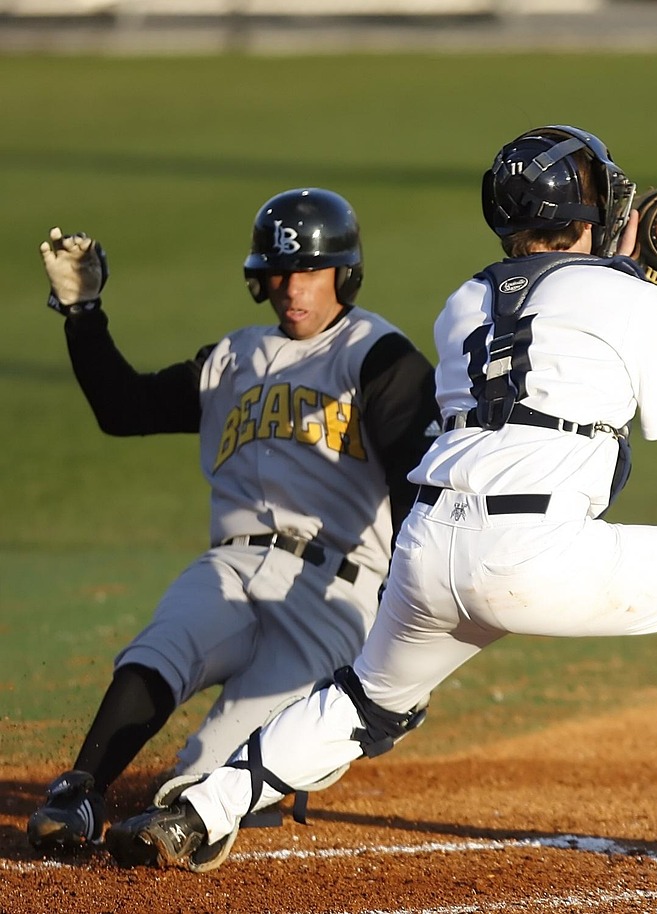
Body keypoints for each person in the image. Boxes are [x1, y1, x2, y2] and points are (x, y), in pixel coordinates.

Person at [105, 126, 657, 872]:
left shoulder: (464, 301)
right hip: (536, 554)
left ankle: (199, 812)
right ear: (585, 210)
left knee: (366, 701)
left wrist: (624, 291)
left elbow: (555, 383)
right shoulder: (630, 297)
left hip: (428, 546)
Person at [27, 188, 441, 853]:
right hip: (233, 565)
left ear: (344, 273)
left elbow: (416, 480)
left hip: (332, 595)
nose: (292, 289)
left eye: (310, 271)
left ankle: (186, 809)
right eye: (279, 272)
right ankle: (79, 792)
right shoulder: (232, 357)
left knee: (203, 783)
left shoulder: (378, 355)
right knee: (165, 645)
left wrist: (406, 623)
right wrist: (82, 313)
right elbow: (123, 408)